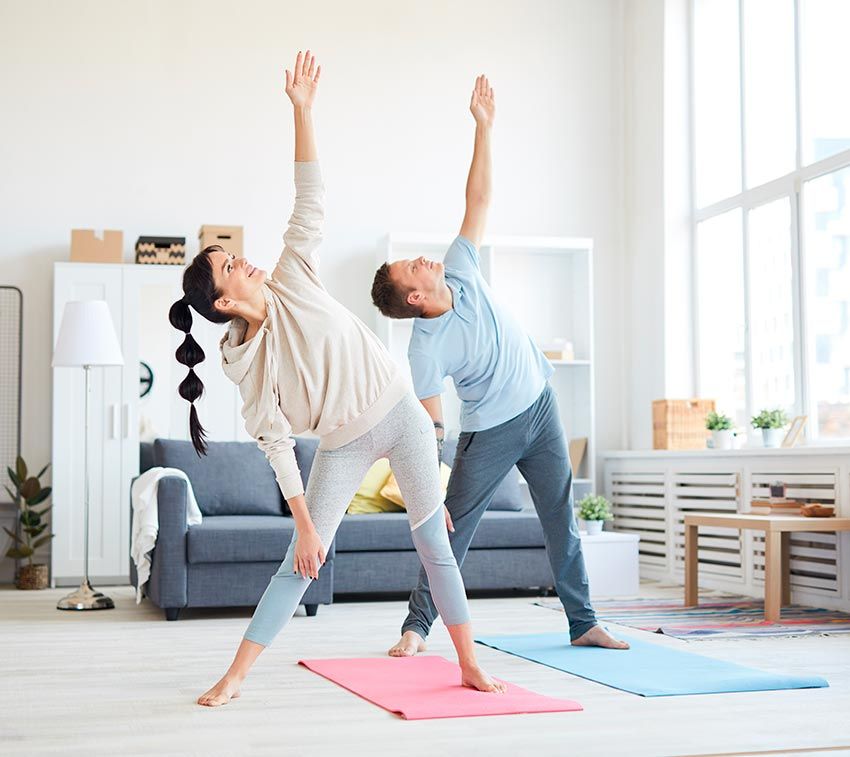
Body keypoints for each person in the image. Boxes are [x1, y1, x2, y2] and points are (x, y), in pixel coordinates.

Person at [169, 52, 505, 707]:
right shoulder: (249, 369)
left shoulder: (293, 271)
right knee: (302, 559)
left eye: (235, 255)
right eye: (232, 266)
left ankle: (466, 660)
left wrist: (302, 111)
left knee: (433, 541)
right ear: (227, 302)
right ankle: (235, 675)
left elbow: (311, 196)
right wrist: (305, 524)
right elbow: (276, 447)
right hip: (343, 442)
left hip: (402, 413)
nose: (246, 261)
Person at [370, 75, 629, 657]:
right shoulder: (423, 349)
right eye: (411, 269)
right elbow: (432, 428)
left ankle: (582, 621)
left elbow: (478, 200)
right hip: (490, 431)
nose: (420, 260)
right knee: (453, 529)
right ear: (413, 297)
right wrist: (427, 489)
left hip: (540, 404)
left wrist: (483, 127)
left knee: (560, 514)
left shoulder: (460, 266)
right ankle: (416, 627)